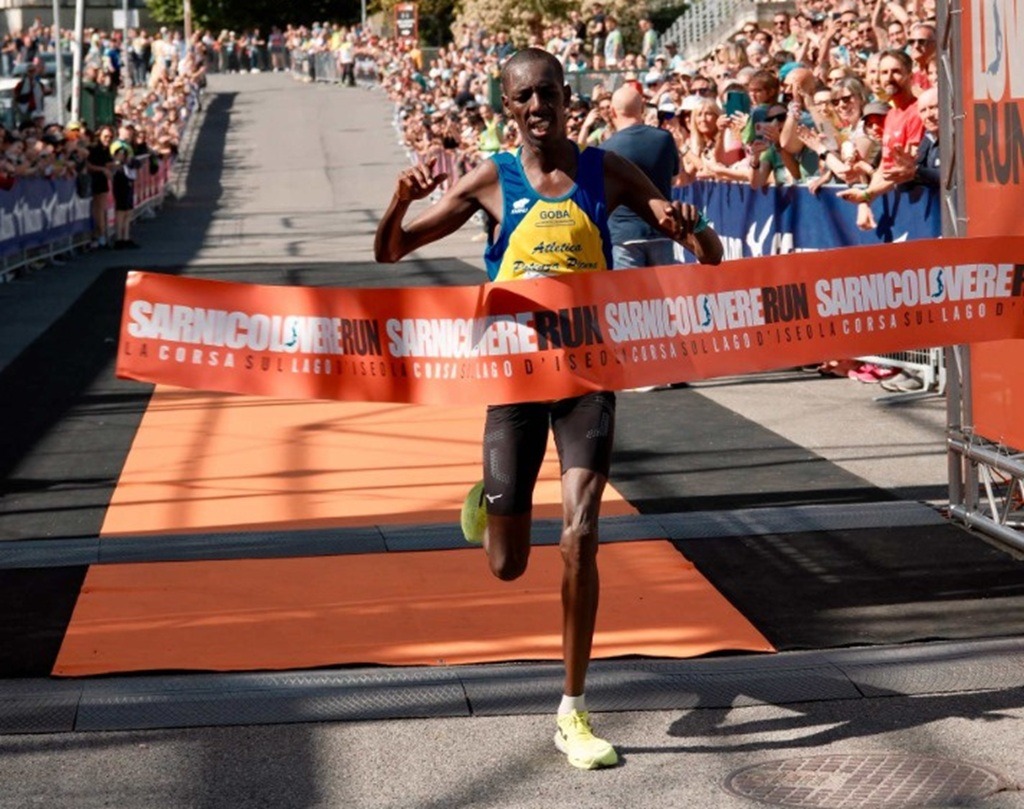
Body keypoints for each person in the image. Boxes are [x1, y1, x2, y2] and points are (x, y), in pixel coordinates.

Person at [374, 47, 722, 771]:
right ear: (508, 106)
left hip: (588, 377)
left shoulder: (607, 170)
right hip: (513, 383)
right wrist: (399, 200)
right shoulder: (491, 179)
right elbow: (393, 252)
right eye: (524, 96)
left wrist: (692, 226)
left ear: (568, 97)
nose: (538, 107)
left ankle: (573, 708)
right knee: (507, 563)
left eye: (548, 93)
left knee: (582, 533)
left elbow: (709, 253)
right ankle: (489, 498)